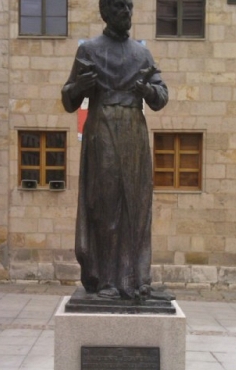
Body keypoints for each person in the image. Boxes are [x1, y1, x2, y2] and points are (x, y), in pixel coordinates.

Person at [62, 0, 168, 300]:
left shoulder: (141, 53)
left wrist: (146, 90)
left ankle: (135, 278)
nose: (127, 13)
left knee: (136, 205)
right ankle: (106, 279)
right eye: (120, 8)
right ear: (105, 13)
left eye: (130, 7)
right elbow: (68, 100)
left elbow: (161, 96)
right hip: (103, 127)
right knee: (105, 203)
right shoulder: (89, 50)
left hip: (134, 129)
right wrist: (82, 85)